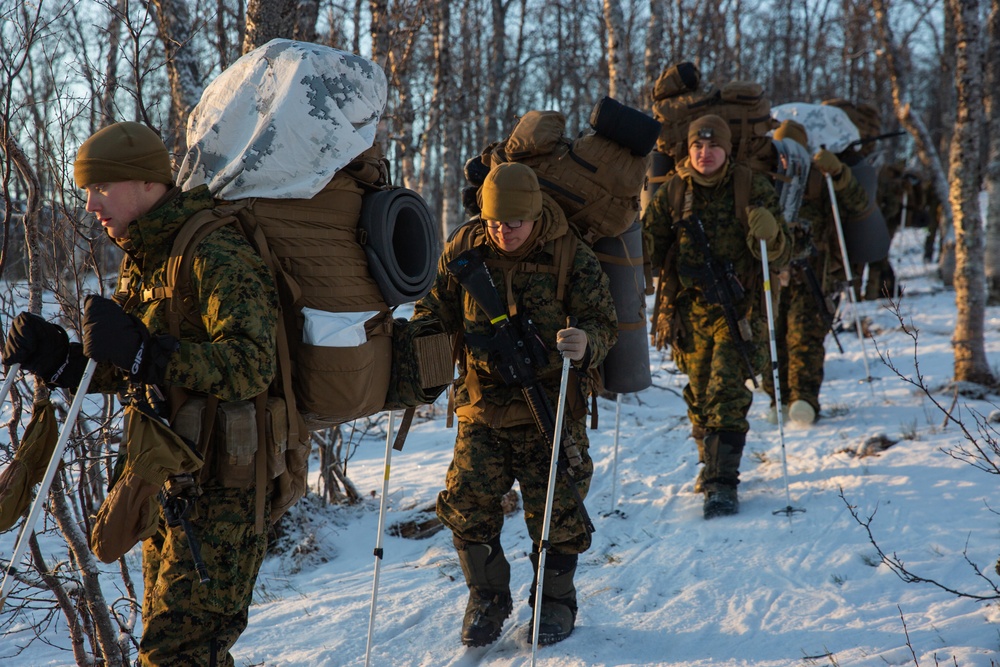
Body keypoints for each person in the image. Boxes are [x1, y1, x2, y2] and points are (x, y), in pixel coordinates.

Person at [2, 121, 279, 666]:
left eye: (101, 187)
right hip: (168, 485)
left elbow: (253, 365)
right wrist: (60, 358)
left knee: (174, 655)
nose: (88, 204)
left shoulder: (214, 251)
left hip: (223, 496)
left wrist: (146, 354)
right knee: (185, 653)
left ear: (147, 182)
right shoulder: (146, 256)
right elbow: (130, 367)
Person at [412, 162, 617, 647]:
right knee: (466, 505)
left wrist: (587, 342)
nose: (503, 232)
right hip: (482, 407)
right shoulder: (464, 250)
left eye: (514, 223)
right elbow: (433, 311)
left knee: (557, 509)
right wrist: (417, 353)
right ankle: (487, 597)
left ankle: (554, 602)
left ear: (535, 215)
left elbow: (603, 321)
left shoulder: (571, 255)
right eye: (494, 223)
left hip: (550, 405)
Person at [643, 114, 791, 519]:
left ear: (727, 149)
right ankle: (710, 464)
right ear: (688, 150)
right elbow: (650, 246)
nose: (704, 153)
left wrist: (771, 233)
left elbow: (784, 250)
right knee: (699, 396)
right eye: (697, 146)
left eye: (713, 146)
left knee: (726, 393)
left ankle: (722, 483)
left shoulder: (750, 186)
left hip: (739, 310)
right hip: (688, 313)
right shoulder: (674, 190)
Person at [761, 119, 870, 426]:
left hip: (812, 274)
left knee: (804, 337)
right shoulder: (764, 178)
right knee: (772, 336)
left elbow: (857, 203)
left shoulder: (819, 180)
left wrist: (838, 172)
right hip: (773, 273)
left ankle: (804, 399)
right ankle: (777, 397)